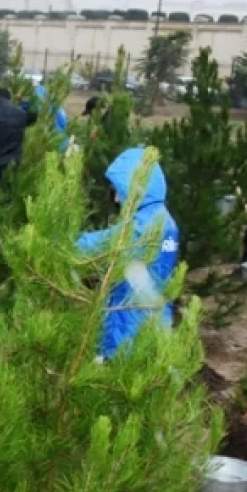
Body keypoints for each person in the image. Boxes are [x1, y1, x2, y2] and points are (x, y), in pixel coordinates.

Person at [76, 147, 179, 360]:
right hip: (154, 316)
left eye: (118, 190)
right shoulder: (164, 218)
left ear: (135, 185)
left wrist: (63, 238)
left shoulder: (143, 227)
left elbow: (100, 244)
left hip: (131, 326)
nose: (115, 199)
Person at [0, 86, 37, 184]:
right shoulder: (21, 113)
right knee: (8, 189)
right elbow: (34, 116)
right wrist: (26, 103)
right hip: (13, 160)